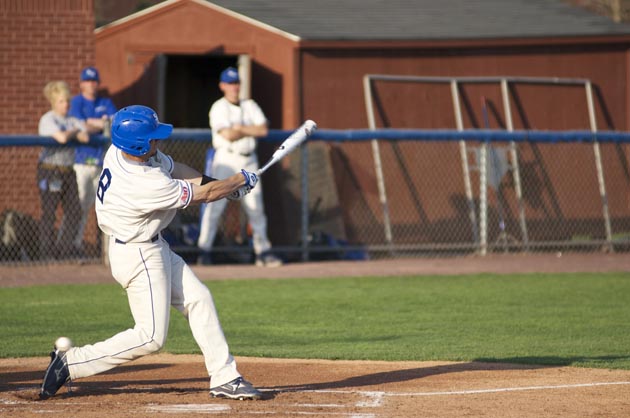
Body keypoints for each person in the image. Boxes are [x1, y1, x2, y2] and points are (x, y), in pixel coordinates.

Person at [39, 105, 263, 401]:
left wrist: (221, 185)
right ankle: (71, 363)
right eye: (153, 137)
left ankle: (225, 376)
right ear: (139, 144)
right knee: (151, 337)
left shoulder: (119, 152)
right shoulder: (144, 184)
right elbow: (202, 195)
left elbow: (179, 170)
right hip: (139, 254)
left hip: (151, 246)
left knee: (199, 299)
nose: (158, 141)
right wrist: (235, 182)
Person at [197, 67, 282, 267]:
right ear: (222, 85)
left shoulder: (249, 104)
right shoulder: (219, 107)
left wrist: (239, 129)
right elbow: (227, 135)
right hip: (227, 159)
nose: (234, 87)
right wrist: (246, 129)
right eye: (230, 83)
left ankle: (263, 252)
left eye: (236, 83)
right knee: (215, 205)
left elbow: (262, 130)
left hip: (249, 160)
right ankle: (204, 251)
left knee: (256, 208)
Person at [37, 81, 90, 260]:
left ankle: (66, 250)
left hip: (68, 171)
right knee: (50, 212)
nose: (65, 104)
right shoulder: (48, 119)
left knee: (75, 210)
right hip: (49, 170)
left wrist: (74, 131)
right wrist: (73, 132)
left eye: (67, 101)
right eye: (61, 101)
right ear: (53, 102)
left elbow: (85, 136)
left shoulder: (71, 120)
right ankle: (46, 253)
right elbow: (60, 137)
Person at [67, 66, 117, 253]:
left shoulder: (105, 101)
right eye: (88, 81)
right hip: (81, 161)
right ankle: (73, 244)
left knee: (104, 205)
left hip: (101, 161)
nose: (92, 84)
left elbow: (114, 124)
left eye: (94, 81)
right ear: (81, 84)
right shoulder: (77, 102)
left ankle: (105, 249)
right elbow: (81, 126)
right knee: (80, 204)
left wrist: (93, 123)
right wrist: (101, 123)